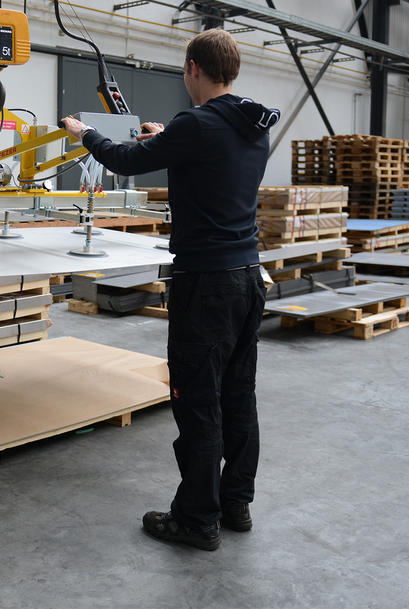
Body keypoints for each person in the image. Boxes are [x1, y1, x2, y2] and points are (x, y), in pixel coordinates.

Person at [61, 28, 279, 551]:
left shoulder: (196, 125)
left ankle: (196, 519)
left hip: (206, 285)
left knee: (198, 401)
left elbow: (122, 161)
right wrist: (165, 137)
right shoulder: (252, 122)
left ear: (193, 69)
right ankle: (235, 503)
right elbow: (208, 154)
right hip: (248, 278)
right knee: (238, 395)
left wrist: (85, 132)